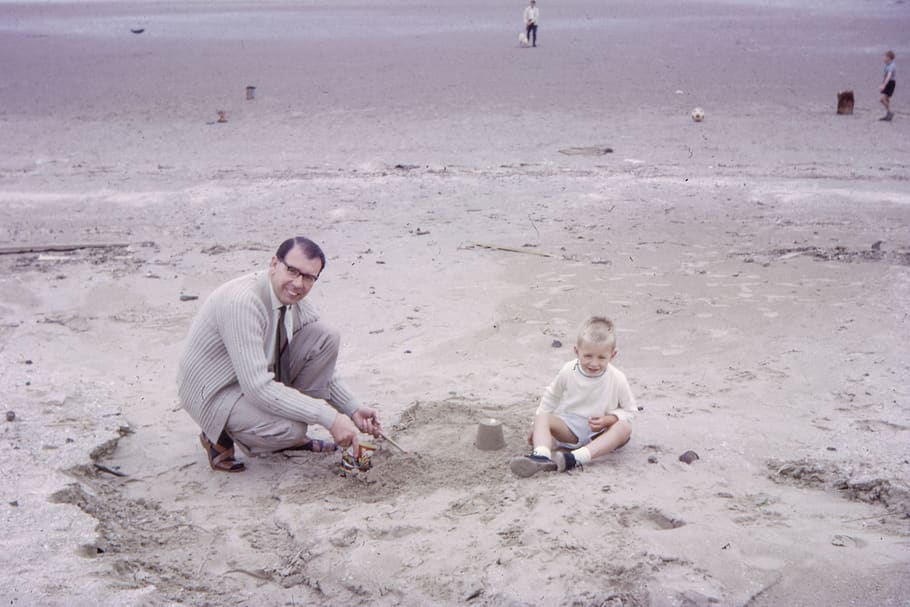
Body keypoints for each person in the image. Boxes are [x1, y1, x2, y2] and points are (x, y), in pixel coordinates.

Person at [177, 236, 382, 472]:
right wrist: (329, 418)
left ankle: (279, 425)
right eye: (292, 270)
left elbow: (323, 365)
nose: (298, 283)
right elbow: (257, 387)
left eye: (308, 277)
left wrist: (353, 408)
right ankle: (217, 432)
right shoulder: (243, 302)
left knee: (326, 337)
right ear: (274, 264)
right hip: (213, 390)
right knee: (291, 429)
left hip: (251, 375)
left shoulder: (293, 298)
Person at [510, 316, 637, 477]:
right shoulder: (568, 370)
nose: (594, 363)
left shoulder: (617, 378)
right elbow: (551, 397)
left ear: (612, 355)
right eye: (588, 356)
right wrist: (537, 427)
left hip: (602, 434)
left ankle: (574, 458)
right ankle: (541, 456)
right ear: (577, 351)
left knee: (625, 427)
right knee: (542, 417)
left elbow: (631, 411)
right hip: (571, 429)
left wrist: (609, 419)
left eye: (601, 357)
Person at [879, 50, 896, 121]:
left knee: (882, 99)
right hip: (889, 83)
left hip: (890, 83)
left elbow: (889, 76)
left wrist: (883, 85)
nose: (883, 58)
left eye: (884, 57)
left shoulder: (891, 66)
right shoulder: (888, 65)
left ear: (888, 58)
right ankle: (888, 114)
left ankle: (889, 112)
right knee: (886, 99)